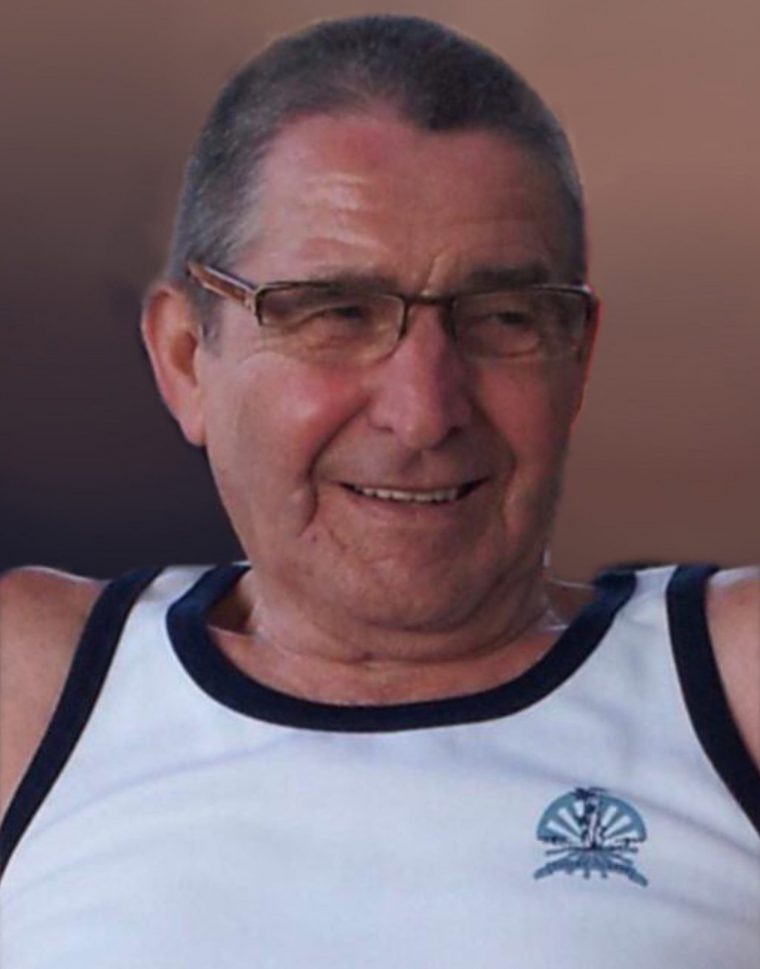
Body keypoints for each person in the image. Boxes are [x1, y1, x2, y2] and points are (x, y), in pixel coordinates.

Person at [0, 14, 758, 968]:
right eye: (336, 313)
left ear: (577, 360)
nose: (424, 411)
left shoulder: (730, 685)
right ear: (187, 359)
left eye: (504, 318)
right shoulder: (35, 688)